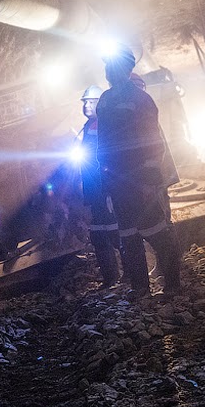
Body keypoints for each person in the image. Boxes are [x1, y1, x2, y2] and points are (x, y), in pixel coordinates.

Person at [96, 45, 183, 298]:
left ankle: (173, 284)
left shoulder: (140, 99)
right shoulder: (105, 100)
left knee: (156, 231)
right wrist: (105, 181)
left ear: (126, 68)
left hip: (138, 177)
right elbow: (102, 143)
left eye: (112, 65)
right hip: (117, 178)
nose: (108, 70)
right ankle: (140, 287)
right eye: (107, 65)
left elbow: (153, 142)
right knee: (128, 235)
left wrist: (149, 179)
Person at [76, 85, 121, 287]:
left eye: (91, 102)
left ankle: (131, 275)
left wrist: (110, 189)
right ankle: (111, 278)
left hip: (105, 188)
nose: (87, 106)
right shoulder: (88, 126)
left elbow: (111, 158)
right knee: (98, 235)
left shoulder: (106, 125)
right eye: (85, 102)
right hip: (94, 190)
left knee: (116, 233)